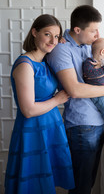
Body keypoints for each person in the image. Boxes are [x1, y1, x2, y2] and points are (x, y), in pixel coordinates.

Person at [46, 5, 104, 194]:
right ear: (77, 30)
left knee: (88, 183)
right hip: (82, 126)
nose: (97, 34)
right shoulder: (61, 50)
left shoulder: (88, 48)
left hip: (97, 122)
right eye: (93, 30)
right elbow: (74, 90)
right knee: (81, 187)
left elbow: (103, 78)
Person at [5, 14, 75, 194]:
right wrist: (57, 100)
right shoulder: (25, 65)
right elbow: (28, 110)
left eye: (56, 36)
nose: (53, 40)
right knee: (33, 185)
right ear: (34, 32)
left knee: (47, 183)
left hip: (50, 127)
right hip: (33, 130)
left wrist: (63, 44)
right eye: (47, 34)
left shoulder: (45, 62)